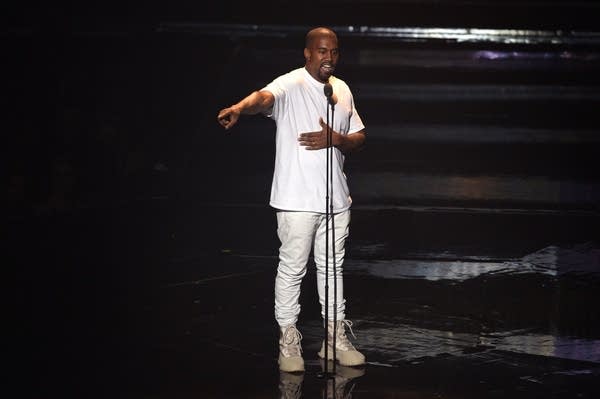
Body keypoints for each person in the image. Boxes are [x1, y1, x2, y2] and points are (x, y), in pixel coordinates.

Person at [217, 27, 366, 373]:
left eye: (334, 52)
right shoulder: (290, 83)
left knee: (332, 269)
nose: (328, 58)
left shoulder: (341, 89)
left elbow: (359, 137)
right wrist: (240, 107)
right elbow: (262, 98)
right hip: (297, 201)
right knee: (293, 269)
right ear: (307, 53)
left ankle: (334, 339)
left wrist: (337, 139)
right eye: (322, 51)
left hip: (336, 201)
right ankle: (287, 339)